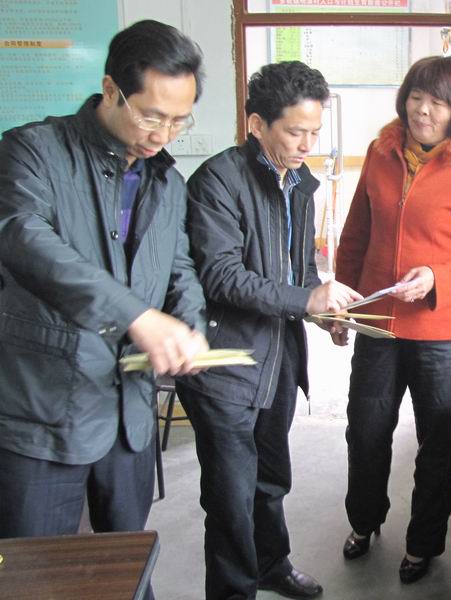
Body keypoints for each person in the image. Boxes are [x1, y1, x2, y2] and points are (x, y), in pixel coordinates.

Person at [0, 18, 207, 549]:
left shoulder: (166, 181)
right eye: (151, 116)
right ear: (111, 89)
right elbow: (24, 237)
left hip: (128, 415)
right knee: (35, 570)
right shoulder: (33, 150)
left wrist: (191, 327)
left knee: (125, 561)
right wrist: (135, 315)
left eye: (179, 121)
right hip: (45, 413)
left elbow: (177, 267)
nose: (163, 135)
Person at [175, 61, 361, 600]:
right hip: (225, 366)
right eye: (296, 132)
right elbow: (221, 274)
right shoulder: (217, 180)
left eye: (315, 132)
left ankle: (271, 565)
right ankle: (234, 591)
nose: (307, 145)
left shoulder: (300, 183)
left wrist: (322, 312)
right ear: (257, 124)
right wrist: (305, 299)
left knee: (271, 479)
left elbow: (300, 271)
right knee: (230, 498)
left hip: (279, 359)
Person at [335, 56, 451, 584]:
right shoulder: (380, 152)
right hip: (378, 324)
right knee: (366, 431)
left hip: (443, 334)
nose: (423, 110)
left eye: (438, 101)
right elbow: (355, 236)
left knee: (438, 444)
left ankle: (423, 543)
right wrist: (343, 306)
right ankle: (364, 520)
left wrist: (438, 277)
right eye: (416, 96)